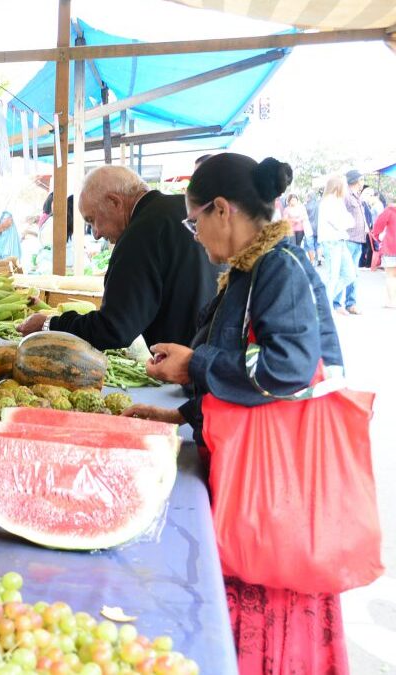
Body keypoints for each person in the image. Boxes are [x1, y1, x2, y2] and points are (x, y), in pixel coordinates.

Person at [123, 153, 347, 674]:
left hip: (276, 496)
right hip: (253, 483)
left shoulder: (279, 269)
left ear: (221, 210)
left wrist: (194, 362)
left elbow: (285, 367)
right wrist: (181, 415)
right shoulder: (249, 269)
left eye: (192, 220)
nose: (194, 234)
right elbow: (241, 364)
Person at [17, 165, 219, 350]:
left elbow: (114, 328)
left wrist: (49, 324)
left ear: (115, 202)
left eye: (92, 220)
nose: (95, 233)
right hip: (216, 363)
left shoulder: (140, 233)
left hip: (188, 371)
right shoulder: (182, 209)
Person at [316, 175, 356, 315]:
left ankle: (322, 302)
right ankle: (323, 308)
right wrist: (346, 222)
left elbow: (350, 221)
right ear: (338, 186)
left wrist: (346, 222)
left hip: (340, 241)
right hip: (332, 241)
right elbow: (341, 223)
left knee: (349, 274)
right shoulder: (328, 202)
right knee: (333, 276)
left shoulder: (338, 201)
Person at [337, 169, 368, 312]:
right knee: (345, 272)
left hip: (358, 240)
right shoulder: (346, 196)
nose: (363, 182)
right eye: (361, 179)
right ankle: (336, 303)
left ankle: (351, 304)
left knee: (354, 273)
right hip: (349, 239)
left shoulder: (357, 196)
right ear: (355, 180)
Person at [372, 196, 396, 308]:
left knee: (391, 275)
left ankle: (392, 301)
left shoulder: (390, 210)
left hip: (391, 247)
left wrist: (376, 236)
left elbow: (378, 225)